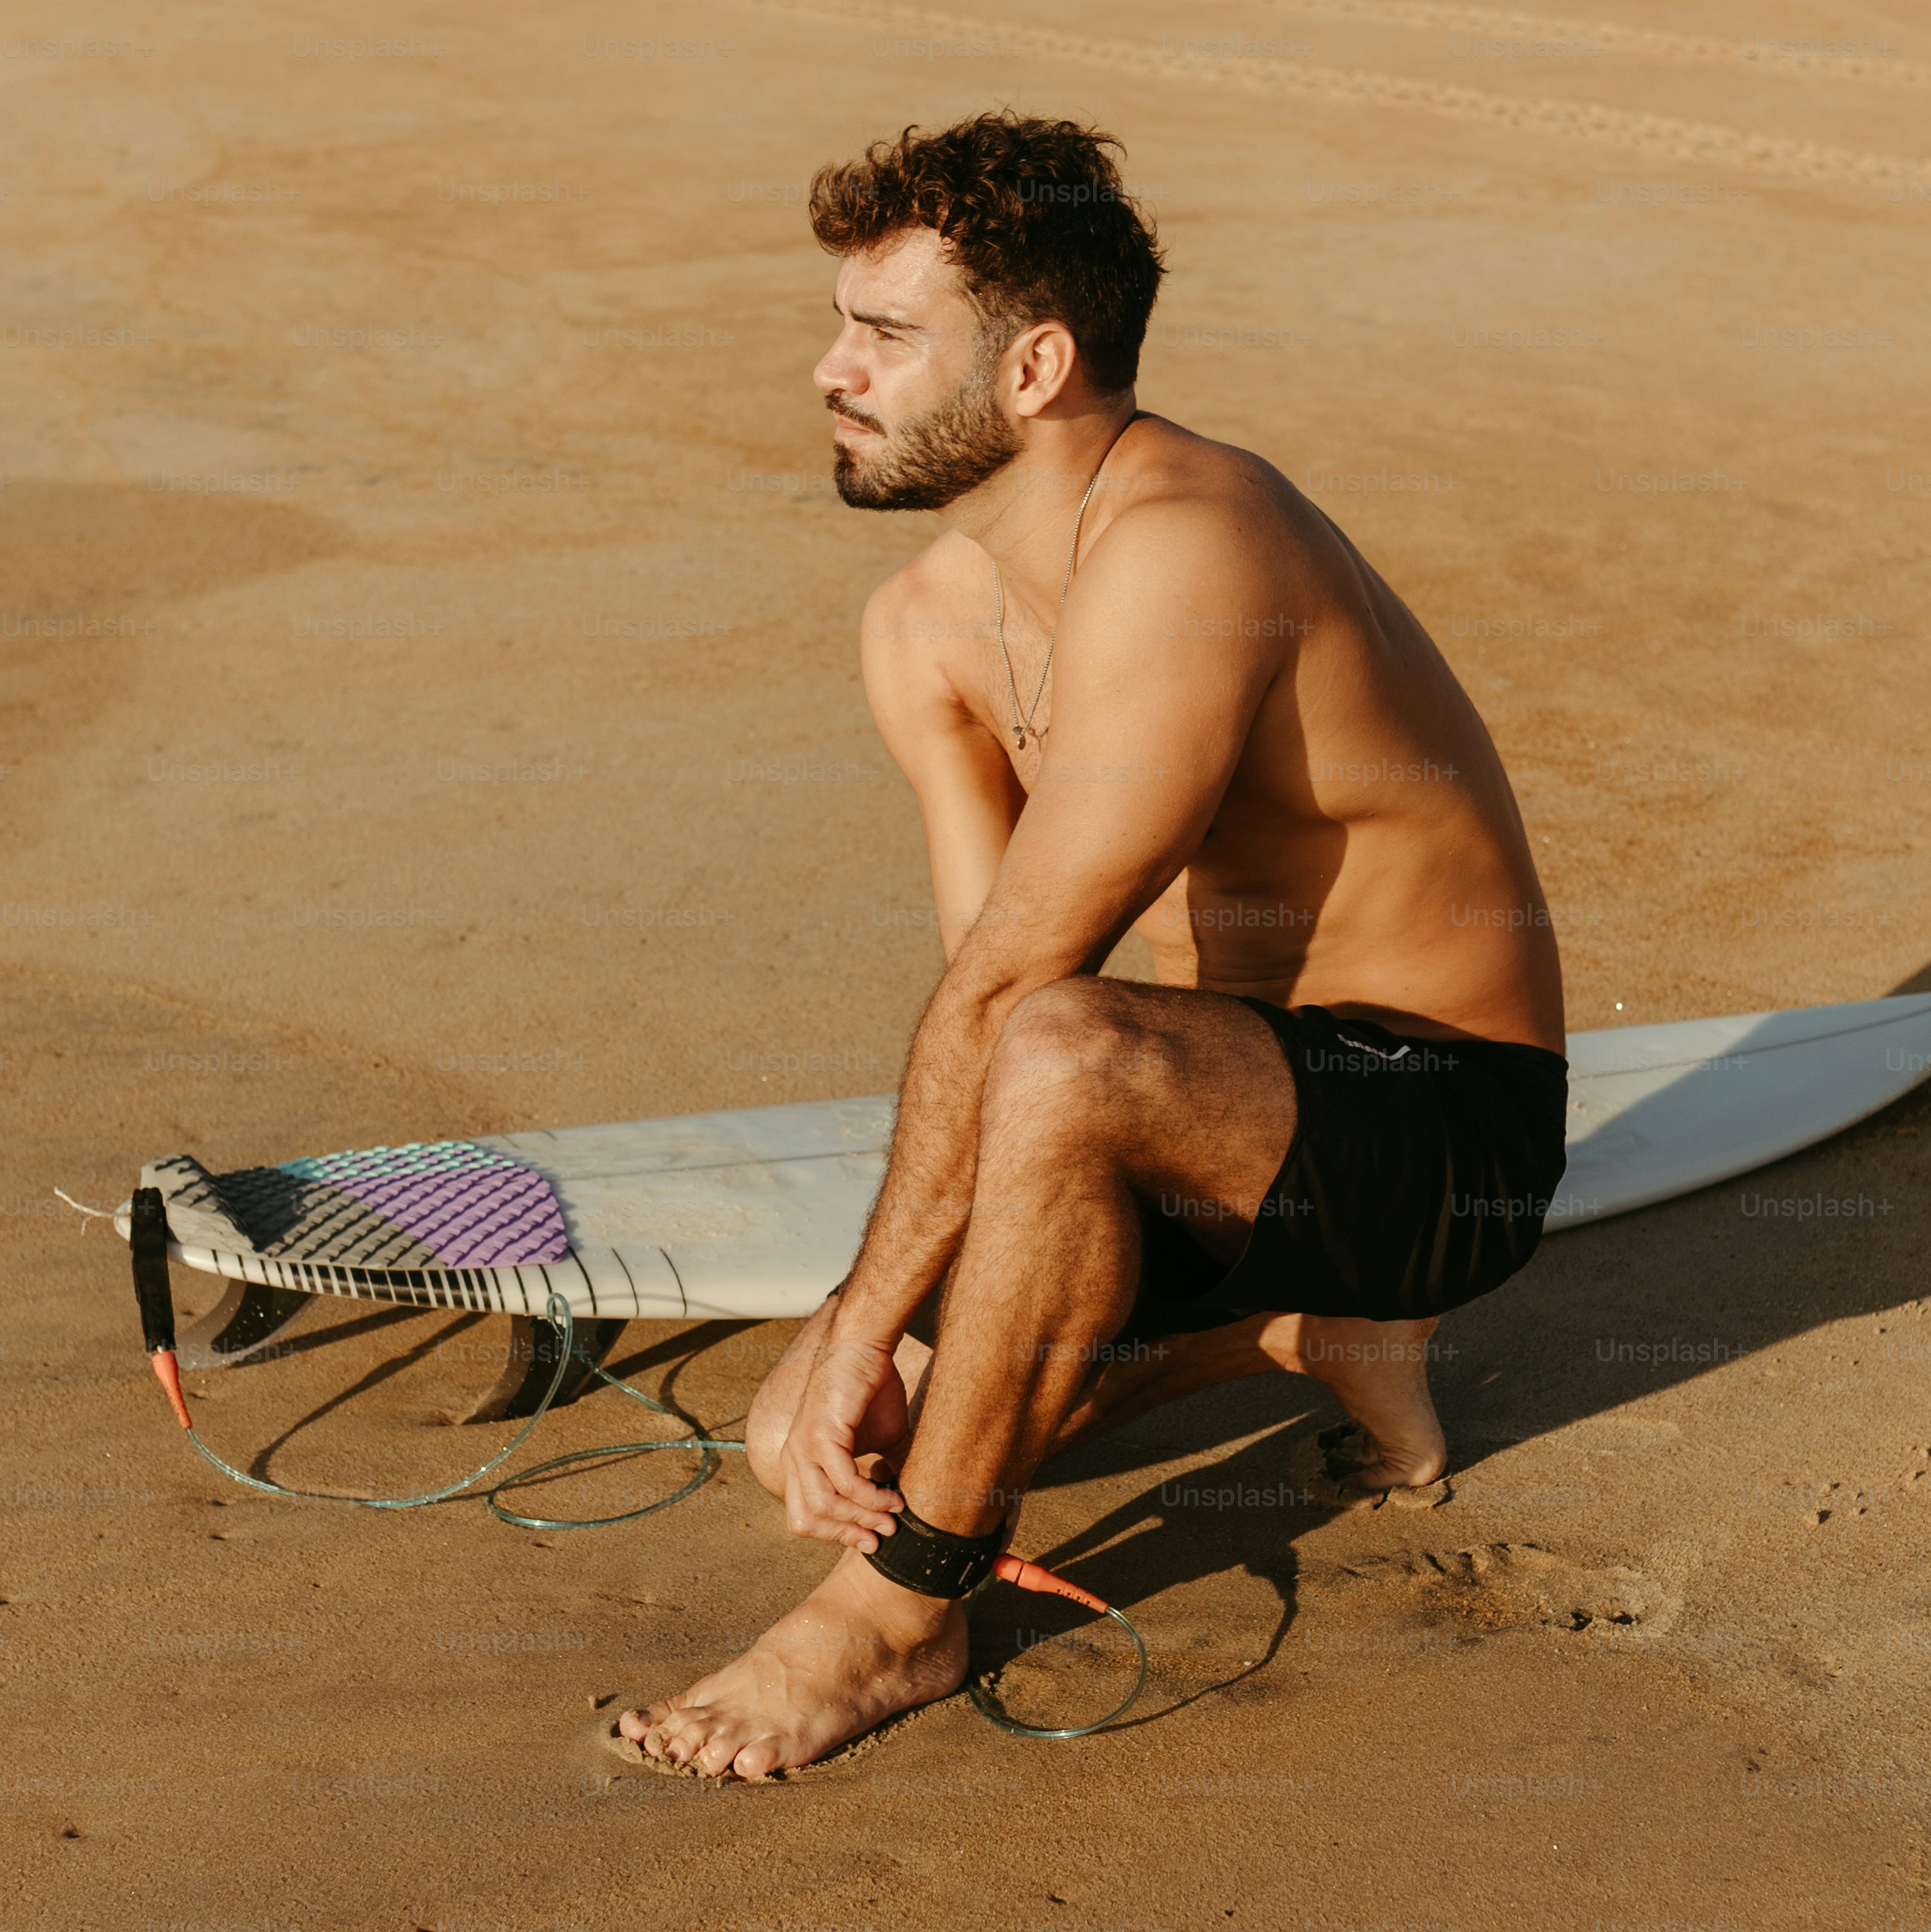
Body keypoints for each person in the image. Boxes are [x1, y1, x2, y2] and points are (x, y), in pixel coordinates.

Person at [618, 112, 1566, 1778]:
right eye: (845, 323)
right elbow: (997, 1008)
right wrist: (863, 1344)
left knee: (1049, 1071)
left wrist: (865, 1323)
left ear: (1038, 364)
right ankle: (1316, 1333)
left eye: (887, 336)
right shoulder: (922, 630)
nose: (830, 369)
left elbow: (1025, 1007)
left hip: (1441, 1120)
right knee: (799, 1446)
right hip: (1208, 1125)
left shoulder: (1196, 549)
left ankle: (905, 1610)